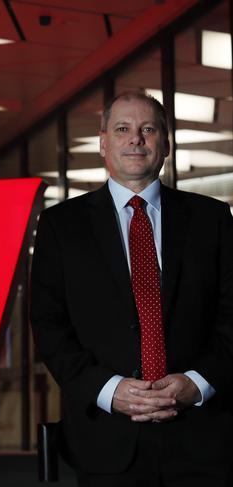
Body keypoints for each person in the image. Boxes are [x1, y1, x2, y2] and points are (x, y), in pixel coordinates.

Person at [30, 91, 233, 486]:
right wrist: (109, 390)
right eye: (123, 129)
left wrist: (199, 382)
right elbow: (49, 326)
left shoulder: (213, 218)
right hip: (105, 442)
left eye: (148, 129)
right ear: (103, 142)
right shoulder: (61, 226)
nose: (135, 139)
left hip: (205, 439)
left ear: (166, 144)